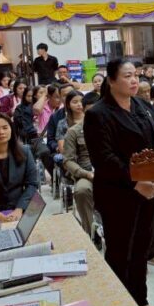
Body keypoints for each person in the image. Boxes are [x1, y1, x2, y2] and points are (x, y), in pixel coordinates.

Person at [83, 60, 154, 306]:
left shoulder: (143, 106)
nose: (134, 80)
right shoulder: (98, 114)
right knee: (120, 251)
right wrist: (136, 182)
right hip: (117, 193)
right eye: (127, 76)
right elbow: (104, 158)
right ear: (111, 81)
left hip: (148, 189)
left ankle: (141, 300)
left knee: (141, 248)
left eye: (135, 75)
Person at [62, 100, 96, 239]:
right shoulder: (74, 132)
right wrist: (86, 174)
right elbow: (68, 161)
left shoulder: (112, 128)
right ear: (84, 111)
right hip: (86, 172)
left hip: (110, 171)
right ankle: (91, 233)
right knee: (82, 190)